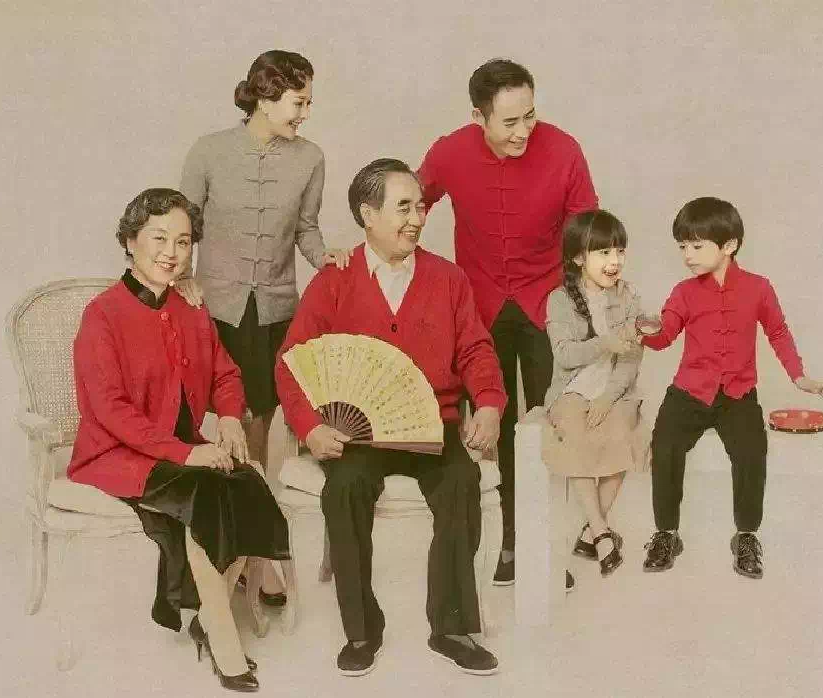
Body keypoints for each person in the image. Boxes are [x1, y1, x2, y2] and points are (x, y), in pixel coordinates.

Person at [275, 159, 506, 676]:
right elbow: (291, 362)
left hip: (435, 425)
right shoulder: (334, 280)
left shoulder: (448, 278)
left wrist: (489, 402)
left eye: (420, 207)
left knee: (460, 482)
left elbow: (476, 350)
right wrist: (310, 426)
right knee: (345, 489)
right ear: (368, 214)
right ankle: (361, 630)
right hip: (359, 435)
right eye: (404, 208)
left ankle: (452, 627)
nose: (417, 219)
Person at [68, 188, 291, 692]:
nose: (172, 252)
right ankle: (222, 634)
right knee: (209, 488)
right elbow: (110, 410)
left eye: (184, 242)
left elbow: (225, 374)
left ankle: (213, 613)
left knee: (245, 477)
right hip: (117, 456)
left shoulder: (189, 307)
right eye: (159, 238)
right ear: (130, 241)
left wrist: (229, 418)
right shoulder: (102, 315)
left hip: (177, 452)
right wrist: (189, 451)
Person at [417, 58, 598, 587]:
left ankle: (544, 547)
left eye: (530, 116)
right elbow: (406, 206)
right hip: (480, 309)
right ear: (478, 116)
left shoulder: (564, 150)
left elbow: (587, 229)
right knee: (490, 428)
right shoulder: (449, 152)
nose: (524, 131)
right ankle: (506, 543)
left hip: (548, 306)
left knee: (546, 425)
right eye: (510, 122)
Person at [178, 49, 349, 604]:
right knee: (201, 425)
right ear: (266, 96)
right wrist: (183, 278)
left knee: (257, 424)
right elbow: (181, 225)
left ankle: (254, 554)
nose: (305, 113)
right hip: (212, 308)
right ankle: (211, 555)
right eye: (299, 102)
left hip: (273, 309)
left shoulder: (311, 158)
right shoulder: (208, 151)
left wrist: (327, 258)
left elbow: (306, 229)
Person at [636, 196, 823, 579]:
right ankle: (666, 533)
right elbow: (665, 335)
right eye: (682, 247)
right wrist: (645, 331)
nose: (687, 255)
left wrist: (799, 377)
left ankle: (746, 536)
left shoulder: (759, 288)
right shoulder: (683, 292)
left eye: (696, 246)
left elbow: (778, 332)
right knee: (665, 445)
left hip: (738, 395)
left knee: (751, 452)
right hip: (688, 392)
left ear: (729, 245)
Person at [542, 210, 651, 577]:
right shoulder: (559, 299)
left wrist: (609, 397)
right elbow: (564, 356)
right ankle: (602, 531)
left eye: (619, 251)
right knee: (574, 431)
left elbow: (632, 358)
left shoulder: (629, 296)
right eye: (604, 252)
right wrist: (605, 342)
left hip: (615, 387)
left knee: (625, 433)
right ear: (578, 257)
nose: (614, 261)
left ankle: (592, 531)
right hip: (572, 387)